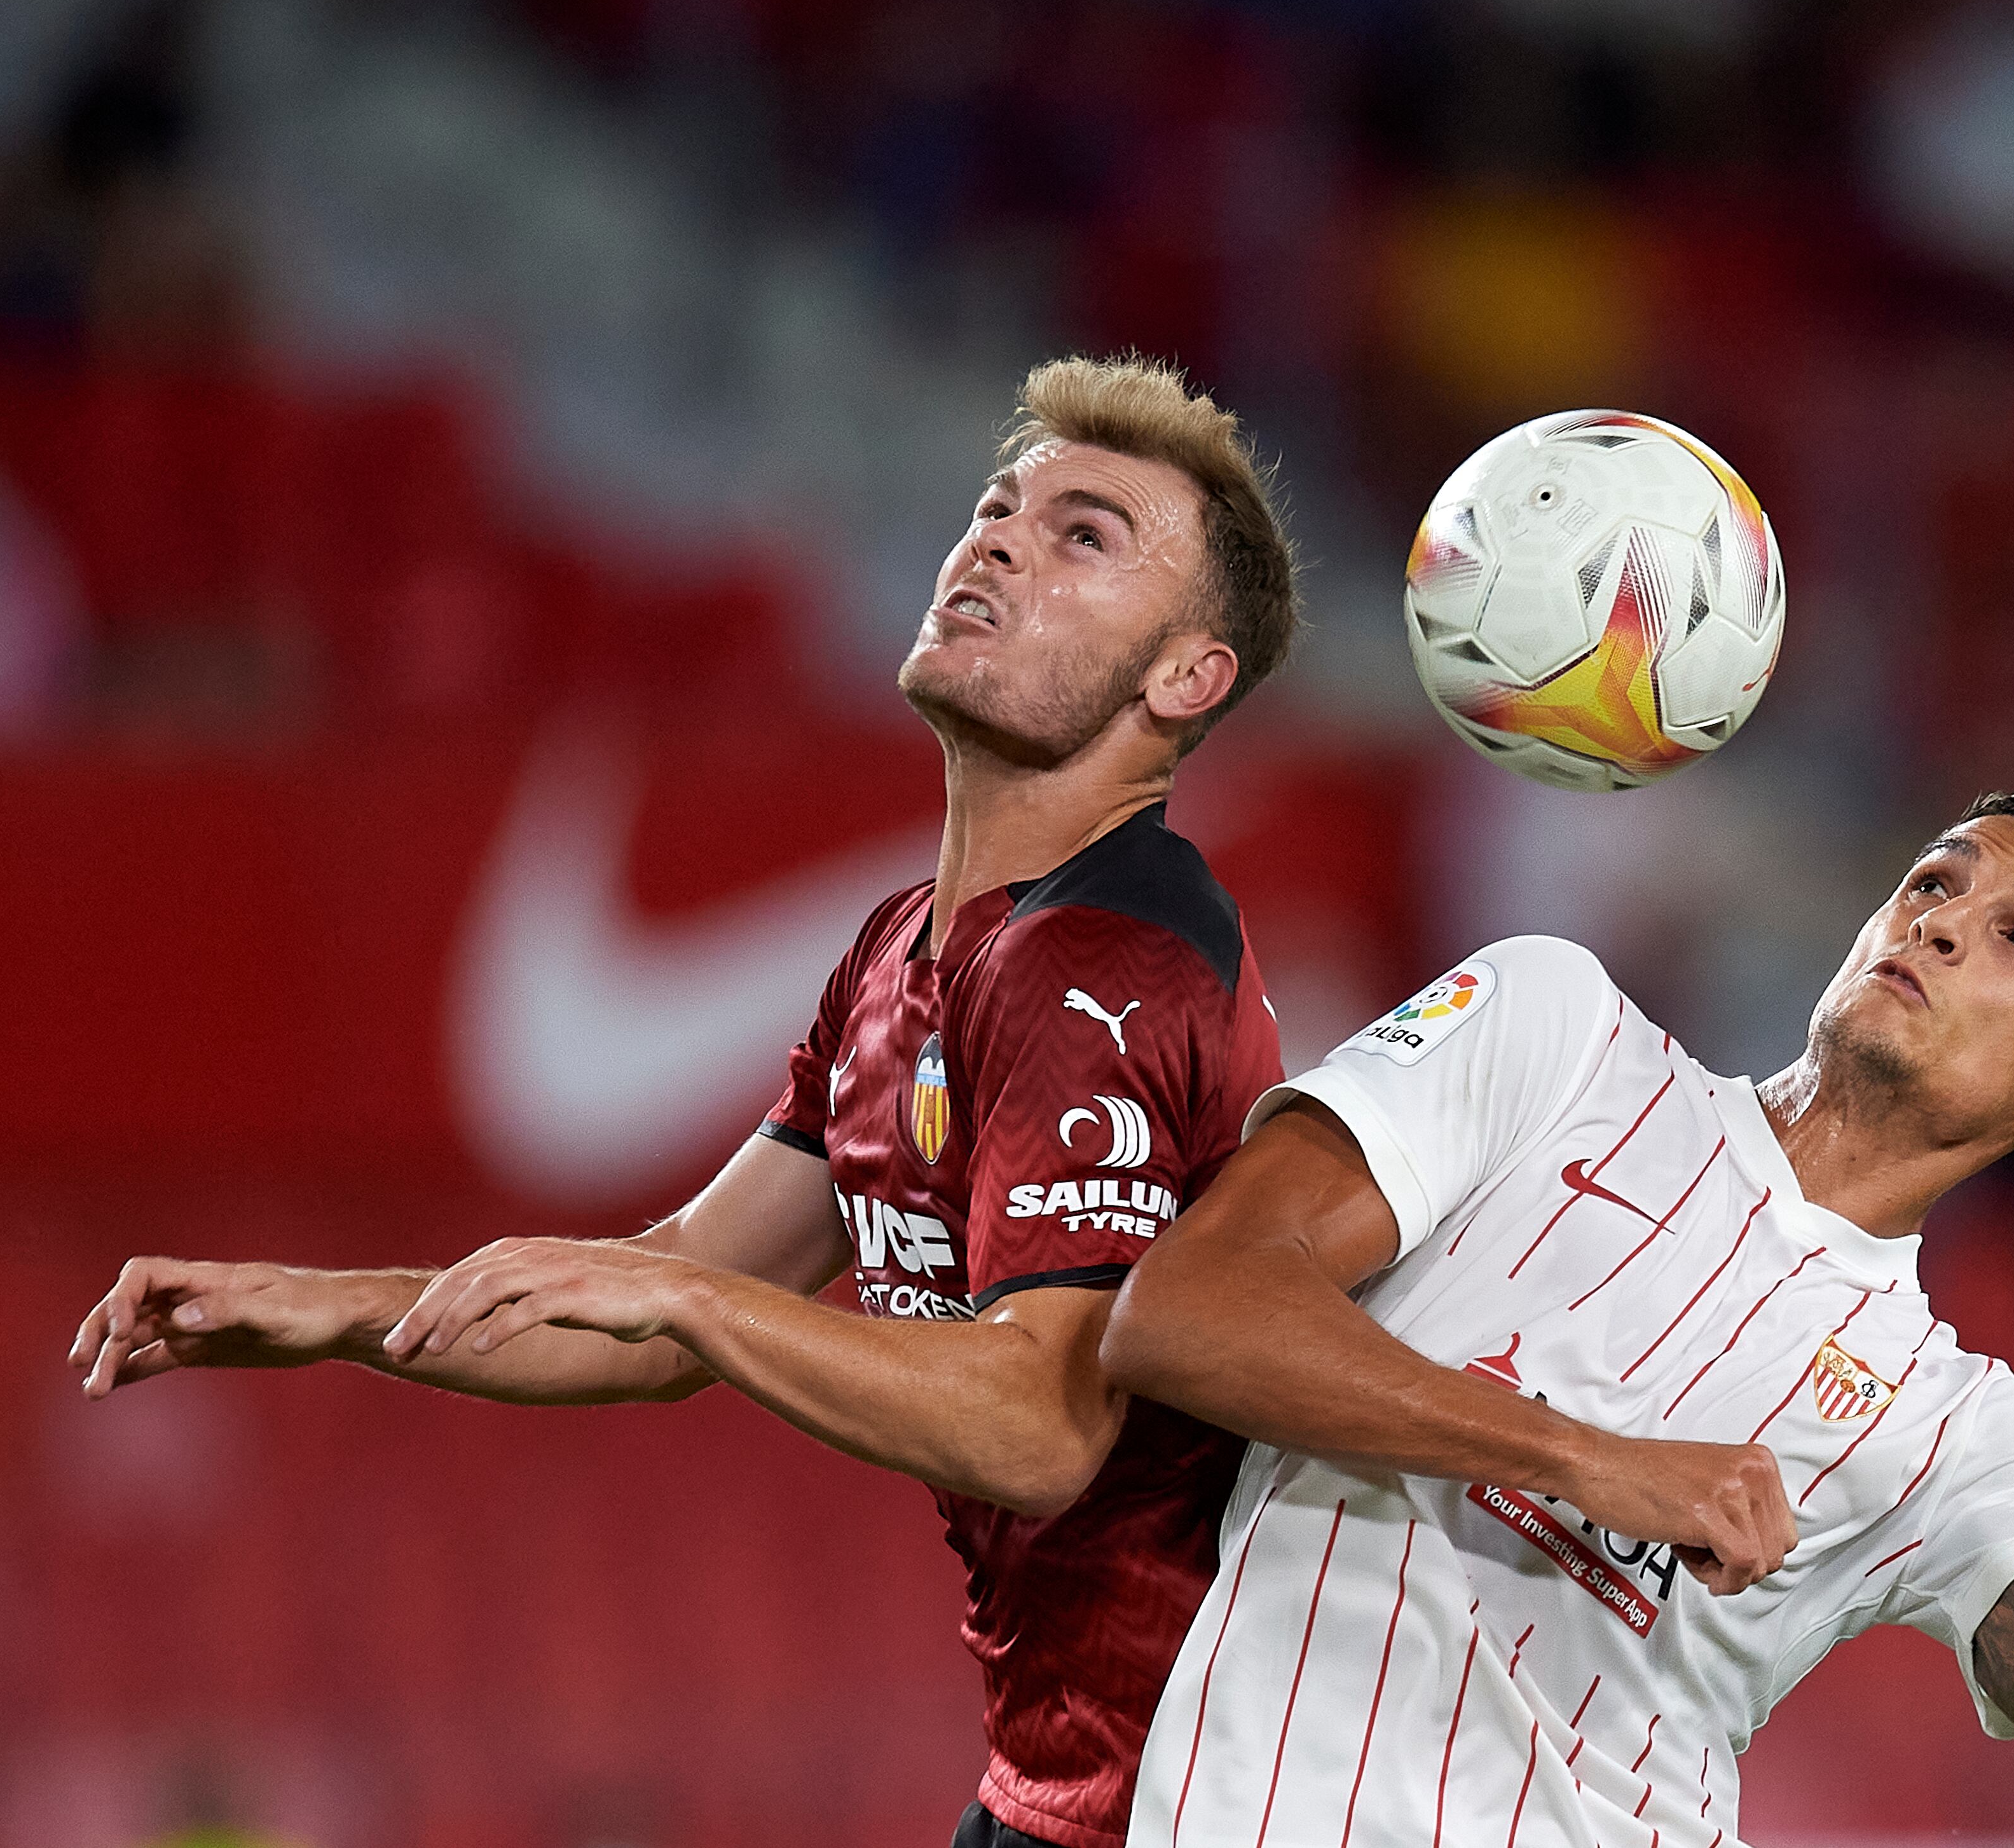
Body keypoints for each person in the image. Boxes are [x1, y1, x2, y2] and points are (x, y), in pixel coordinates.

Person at [69, 355, 1305, 1848]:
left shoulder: (1107, 960)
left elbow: (1039, 1425)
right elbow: (681, 1290)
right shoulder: (897, 954)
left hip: (1236, 1783)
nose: (996, 544)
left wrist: (688, 1309)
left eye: (1083, 535)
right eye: (998, 508)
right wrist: (335, 1308)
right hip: (1073, 1778)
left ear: (1184, 679)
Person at [1100, 791, 2014, 1848]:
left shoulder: (1953, 1429)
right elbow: (1185, 1309)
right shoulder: (1557, 1034)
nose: (1945, 922)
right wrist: (1588, 1458)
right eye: (1934, 882)